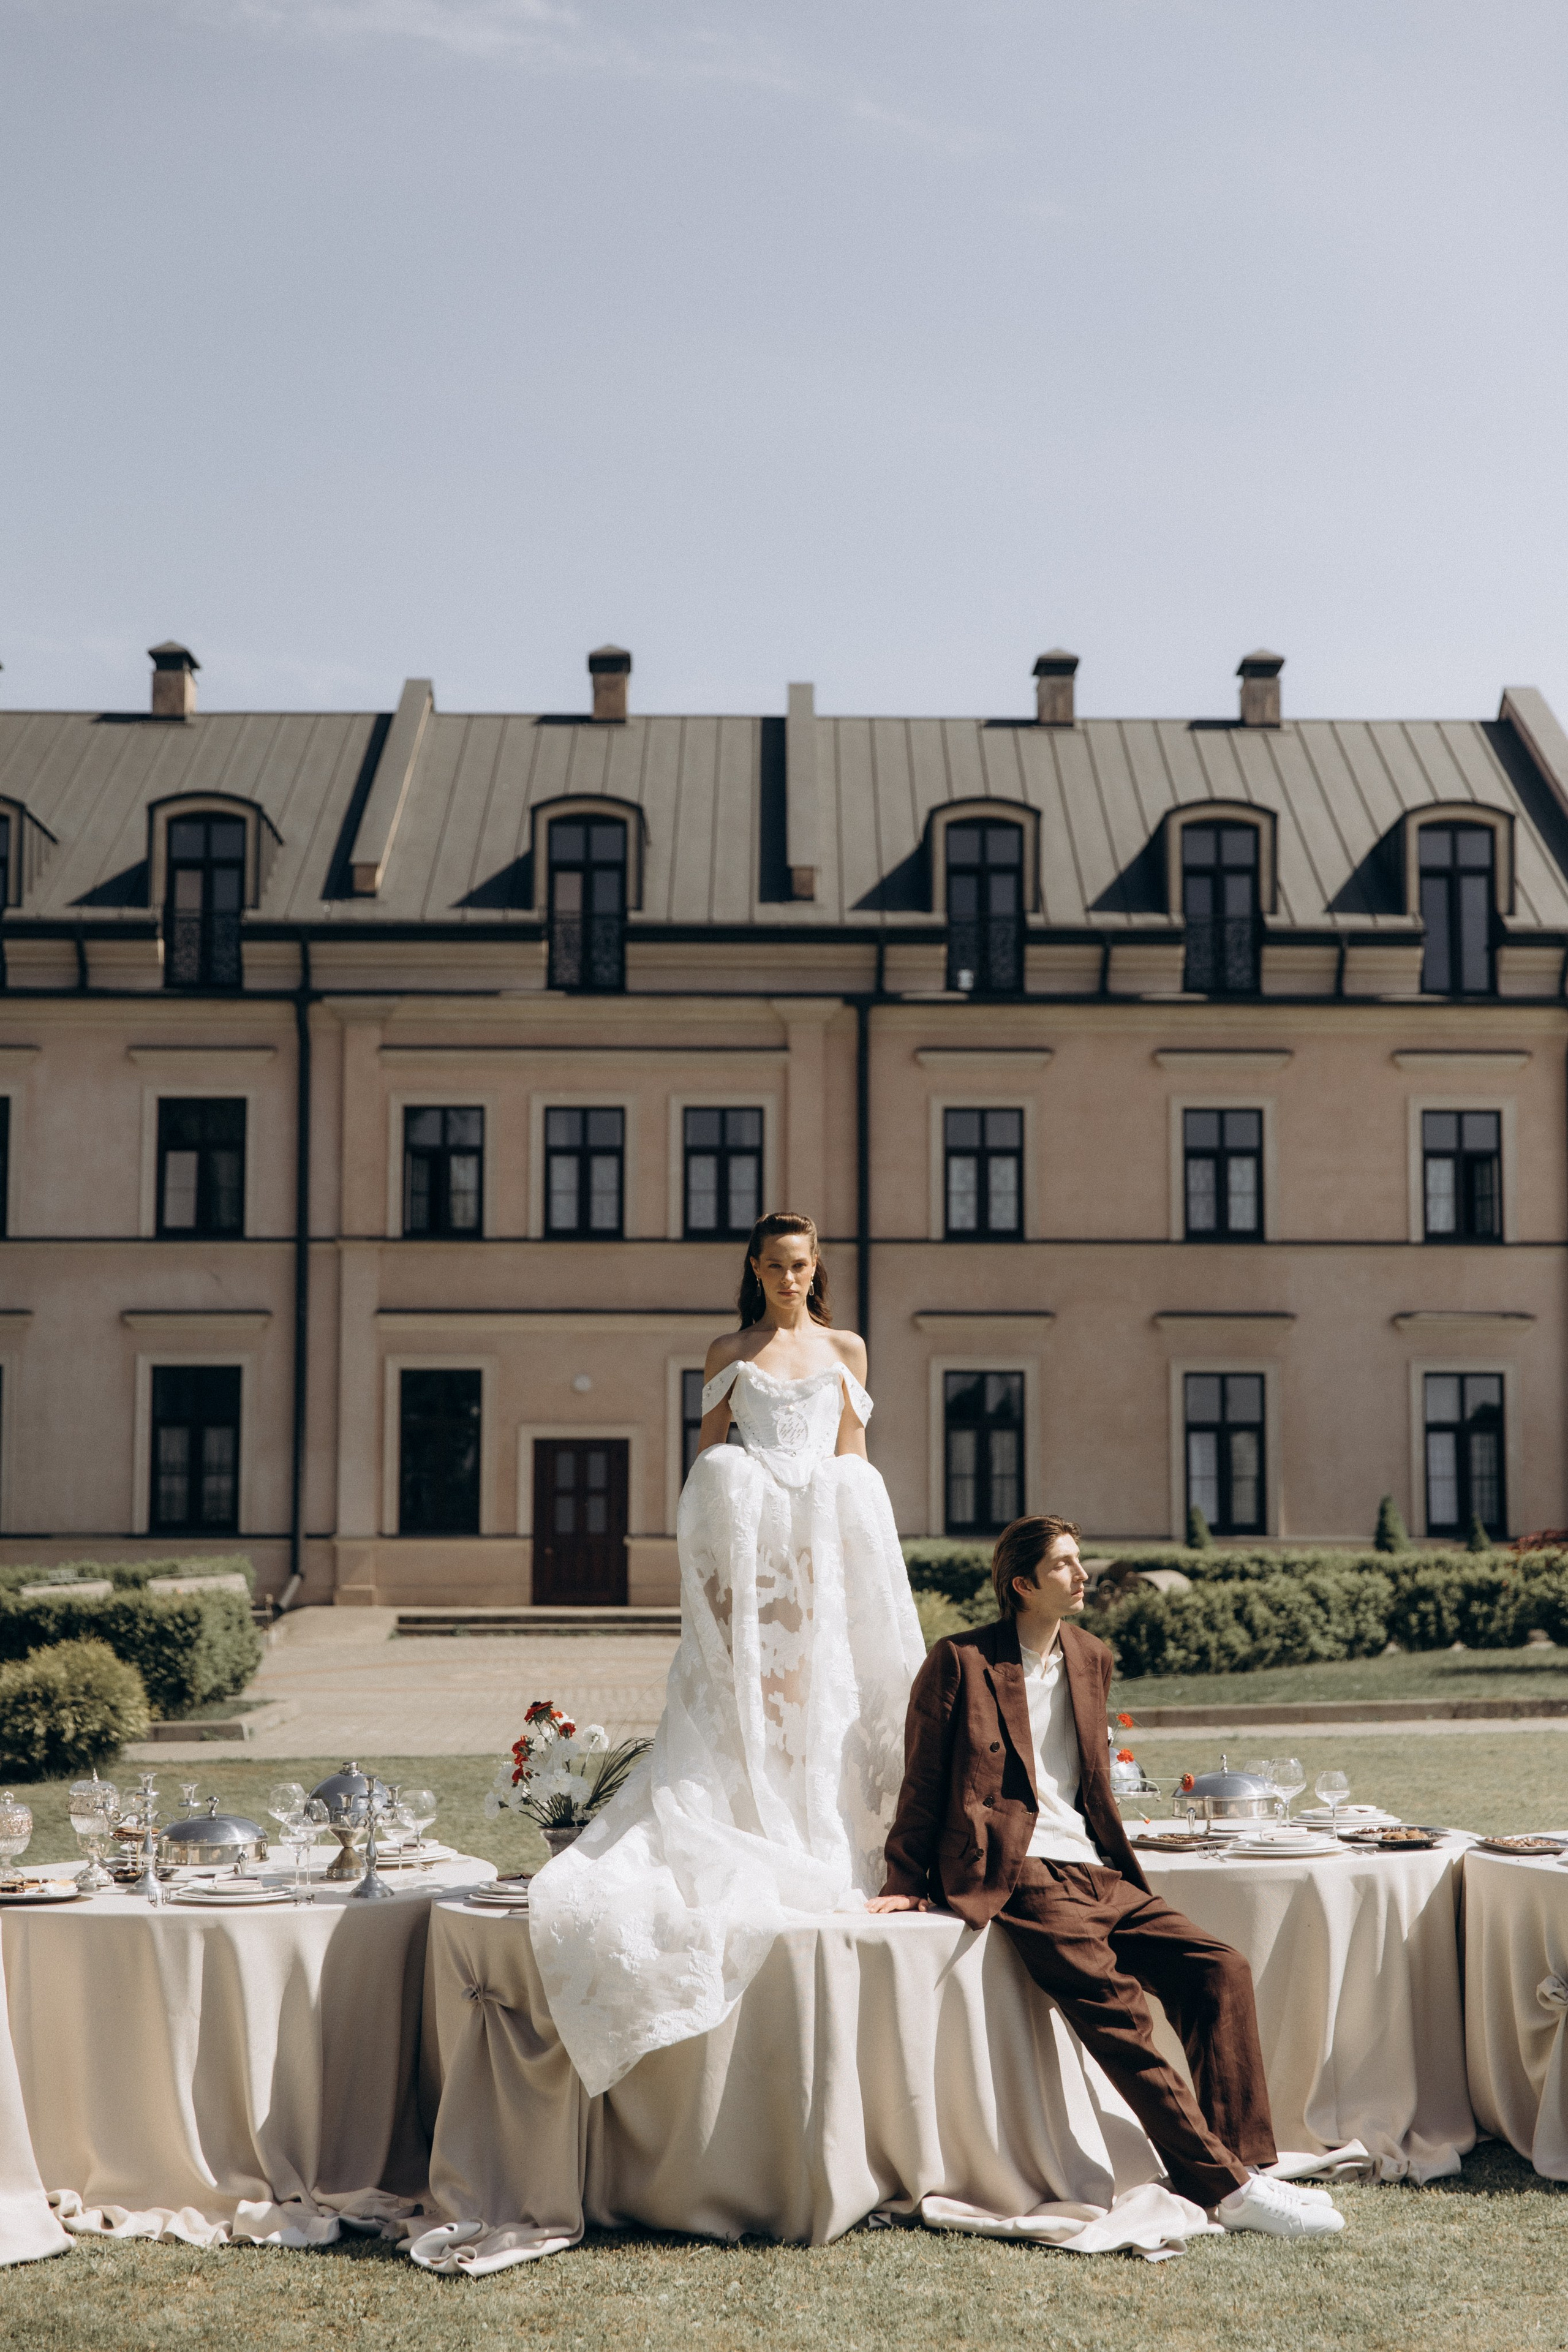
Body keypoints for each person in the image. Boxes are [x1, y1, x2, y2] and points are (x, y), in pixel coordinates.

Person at [528, 1210, 927, 2097]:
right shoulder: (727, 1354)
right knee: (751, 1701)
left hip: (820, 1560)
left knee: (824, 1703)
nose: (790, 1278)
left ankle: (832, 1842)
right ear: (755, 1267)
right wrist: (718, 1596)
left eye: (802, 1265)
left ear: (816, 1267)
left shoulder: (849, 1352)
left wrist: (846, 1583)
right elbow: (706, 1480)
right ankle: (756, 1828)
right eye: (776, 1265)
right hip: (750, 1563)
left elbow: (855, 1474)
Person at [869, 1514, 1345, 2241]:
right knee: (1121, 2017)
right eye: (1063, 1565)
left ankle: (1245, 2169)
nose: (1082, 1575)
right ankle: (1228, 2191)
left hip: (1097, 1866)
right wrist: (903, 1876)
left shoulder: (1091, 1655)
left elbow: (1088, 1778)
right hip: (1018, 1872)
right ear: (1022, 1584)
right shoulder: (959, 1661)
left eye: (1079, 1560)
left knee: (1219, 1970)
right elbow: (925, 1778)